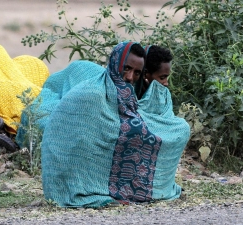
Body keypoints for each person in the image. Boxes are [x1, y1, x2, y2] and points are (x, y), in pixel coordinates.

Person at [37, 41, 190, 208]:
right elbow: (74, 139)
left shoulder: (127, 97)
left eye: (137, 72)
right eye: (126, 68)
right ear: (115, 63)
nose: (130, 77)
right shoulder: (92, 93)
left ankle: (142, 189)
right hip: (72, 178)